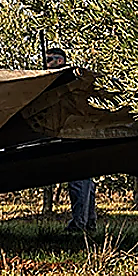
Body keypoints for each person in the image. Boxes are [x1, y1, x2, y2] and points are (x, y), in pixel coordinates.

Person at [43, 47, 98, 232]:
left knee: (78, 180)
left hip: (75, 134)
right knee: (85, 180)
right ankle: (88, 222)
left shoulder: (66, 80)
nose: (46, 64)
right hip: (81, 133)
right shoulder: (70, 79)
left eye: (49, 60)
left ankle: (79, 224)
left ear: (60, 61)